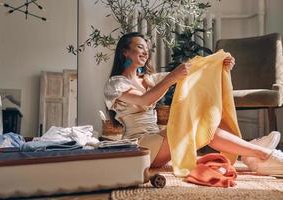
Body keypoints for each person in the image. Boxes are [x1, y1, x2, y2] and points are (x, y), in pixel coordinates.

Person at [104, 32, 283, 175]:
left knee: (203, 123)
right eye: (140, 47)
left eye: (147, 49)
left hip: (157, 140)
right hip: (140, 147)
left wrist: (219, 64)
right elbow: (145, 100)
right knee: (196, 125)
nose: (145, 52)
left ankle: (254, 154)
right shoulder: (116, 83)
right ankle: (260, 152)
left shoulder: (149, 79)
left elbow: (192, 71)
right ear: (125, 52)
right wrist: (172, 77)